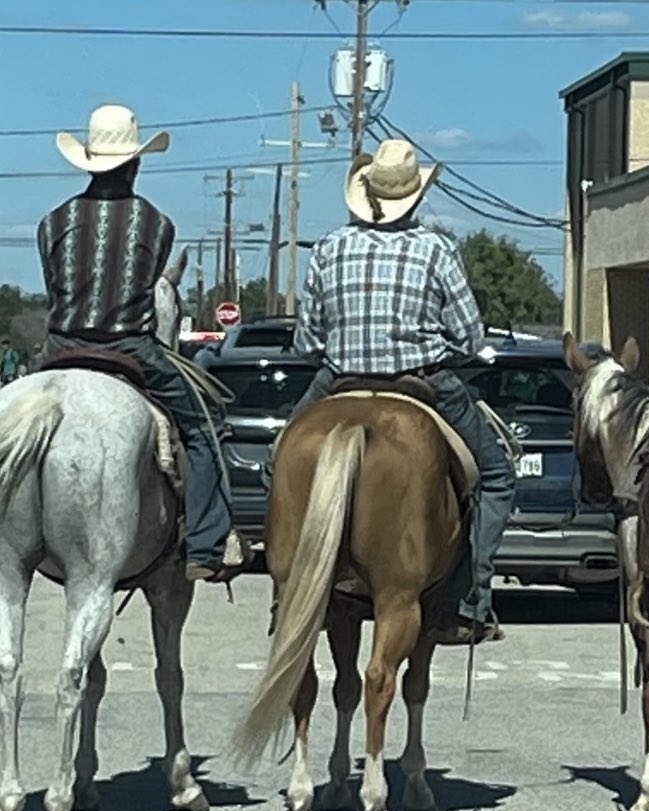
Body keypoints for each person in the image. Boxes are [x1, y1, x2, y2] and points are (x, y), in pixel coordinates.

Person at [285, 139, 517, 644]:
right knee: (497, 476)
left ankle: (286, 591)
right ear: (415, 195)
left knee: (278, 462)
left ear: (365, 192)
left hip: (338, 379)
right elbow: (470, 337)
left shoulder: (328, 247)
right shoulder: (436, 249)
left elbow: (307, 342)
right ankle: (468, 601)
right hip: (423, 379)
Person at [37, 103, 247, 583]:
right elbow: (146, 289)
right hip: (131, 348)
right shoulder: (157, 224)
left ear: (89, 162)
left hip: (60, 349)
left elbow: (55, 291)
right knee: (206, 427)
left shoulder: (51, 222)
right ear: (135, 164)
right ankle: (206, 544)